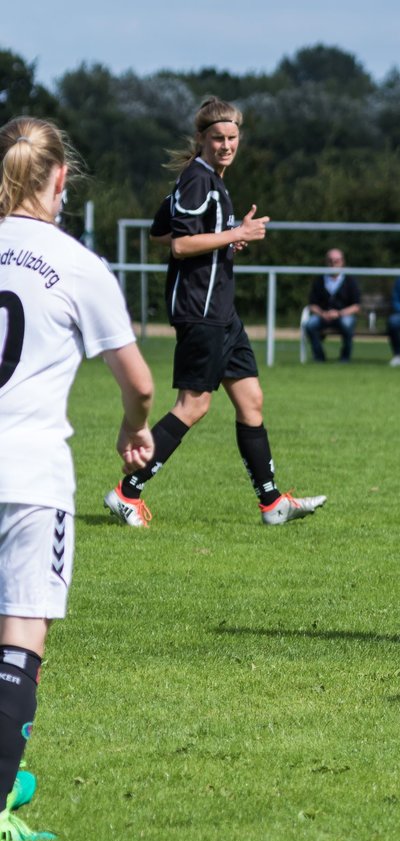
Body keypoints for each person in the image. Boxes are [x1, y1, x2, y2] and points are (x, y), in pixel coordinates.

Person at [0, 116, 155, 841]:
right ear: (60, 179)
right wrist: (132, 425)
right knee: (22, 634)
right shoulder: (78, 264)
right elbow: (140, 382)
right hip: (30, 473)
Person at [103, 96, 326, 528]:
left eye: (232, 138)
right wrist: (234, 233)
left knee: (252, 401)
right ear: (202, 140)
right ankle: (126, 493)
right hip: (200, 311)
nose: (226, 145)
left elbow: (161, 228)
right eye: (218, 138)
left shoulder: (212, 181)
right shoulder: (197, 179)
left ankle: (272, 504)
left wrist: (228, 237)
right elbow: (178, 243)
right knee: (193, 405)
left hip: (223, 313)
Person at [305, 247, 361, 363]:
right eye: (330, 261)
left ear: (342, 262)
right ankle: (319, 357)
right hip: (323, 316)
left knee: (347, 323)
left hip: (343, 316)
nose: (333, 264)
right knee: (310, 324)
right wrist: (323, 313)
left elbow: (356, 306)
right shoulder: (319, 280)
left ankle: (345, 358)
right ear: (326, 262)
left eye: (337, 261)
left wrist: (339, 313)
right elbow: (312, 304)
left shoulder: (350, 280)